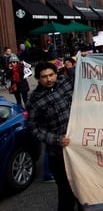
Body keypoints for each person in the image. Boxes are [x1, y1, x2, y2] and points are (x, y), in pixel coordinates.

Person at [26, 61, 82, 211]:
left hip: (79, 149)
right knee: (65, 191)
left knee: (83, 188)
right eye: (44, 77)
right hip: (57, 153)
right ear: (38, 78)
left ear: (56, 74)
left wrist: (83, 61)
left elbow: (86, 79)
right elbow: (34, 127)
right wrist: (56, 140)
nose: (49, 79)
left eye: (51, 75)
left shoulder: (66, 83)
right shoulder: (34, 100)